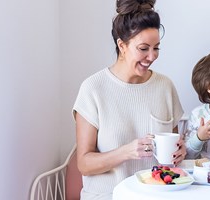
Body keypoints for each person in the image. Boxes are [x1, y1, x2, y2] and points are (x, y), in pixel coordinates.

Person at [72, 0, 185, 199]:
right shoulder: (93, 89)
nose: (152, 56)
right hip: (108, 195)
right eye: (143, 48)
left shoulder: (165, 87)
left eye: (156, 48)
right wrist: (126, 152)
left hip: (157, 194)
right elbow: (84, 164)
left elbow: (173, 150)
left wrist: (180, 152)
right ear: (122, 46)